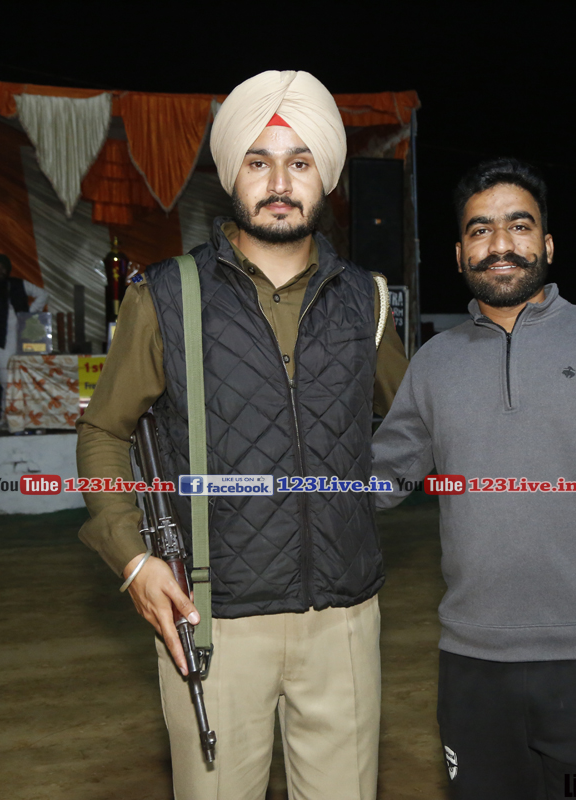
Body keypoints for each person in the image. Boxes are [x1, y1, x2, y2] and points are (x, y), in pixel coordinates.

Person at [75, 69, 408, 800]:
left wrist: (366, 497)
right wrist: (133, 560)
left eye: (299, 162)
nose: (279, 183)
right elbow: (103, 432)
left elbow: (418, 423)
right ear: (232, 175)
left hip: (345, 621)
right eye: (259, 162)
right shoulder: (165, 295)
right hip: (213, 618)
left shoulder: (367, 301)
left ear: (326, 177)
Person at [371, 158, 576, 799]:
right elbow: (377, 479)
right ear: (459, 254)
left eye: (518, 226)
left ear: (547, 245)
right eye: (480, 230)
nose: (500, 244)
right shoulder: (435, 363)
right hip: (473, 663)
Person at [0, 253, 47, 389]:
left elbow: (43, 294)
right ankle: (9, 403)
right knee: (6, 378)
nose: (0, 271)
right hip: (2, 339)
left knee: (28, 376)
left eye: (2, 267)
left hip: (26, 336)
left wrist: (29, 312)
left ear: (8, 269)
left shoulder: (19, 283)